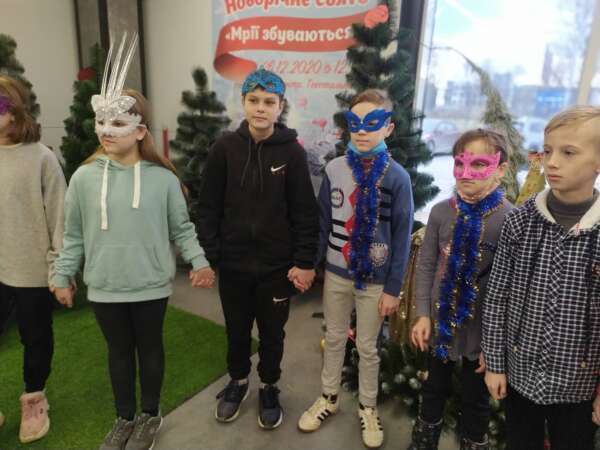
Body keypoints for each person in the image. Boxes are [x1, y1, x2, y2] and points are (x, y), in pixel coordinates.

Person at [53, 35, 214, 450]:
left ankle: (149, 415)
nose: (107, 131)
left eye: (118, 123)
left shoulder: (163, 181)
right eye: (101, 122)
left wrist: (198, 262)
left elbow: (182, 228)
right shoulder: (84, 178)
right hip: (105, 285)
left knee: (150, 349)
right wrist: (62, 273)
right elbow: (73, 233)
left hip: (150, 285)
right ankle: (124, 417)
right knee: (119, 353)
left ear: (140, 130)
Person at [196, 68, 319, 430]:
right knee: (236, 330)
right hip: (233, 266)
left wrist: (304, 261)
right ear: (243, 103)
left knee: (272, 333)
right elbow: (208, 207)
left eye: (269, 101)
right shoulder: (224, 149)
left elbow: (305, 212)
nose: (260, 108)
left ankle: (268, 385)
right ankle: (237, 381)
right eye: (253, 100)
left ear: (280, 106)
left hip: (276, 268)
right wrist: (211, 255)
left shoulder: (293, 154)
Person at [298, 89, 413, 449]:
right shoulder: (334, 169)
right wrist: (311, 265)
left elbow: (402, 236)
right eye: (355, 123)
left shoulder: (397, 177)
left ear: (388, 128)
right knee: (333, 337)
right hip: (336, 273)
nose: (362, 131)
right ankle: (328, 397)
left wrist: (393, 287)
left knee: (367, 346)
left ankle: (367, 406)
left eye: (372, 123)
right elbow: (322, 221)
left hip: (376, 280)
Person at [482, 105, 600, 450]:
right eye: (548, 151)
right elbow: (497, 297)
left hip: (578, 385)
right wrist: (495, 364)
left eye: (568, 152)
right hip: (521, 375)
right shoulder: (520, 221)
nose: (552, 162)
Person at [407, 128, 512, 450]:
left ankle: (473, 442)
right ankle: (424, 440)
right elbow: (426, 266)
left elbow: (511, 290)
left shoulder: (509, 219)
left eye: (479, 164)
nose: (466, 173)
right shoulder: (441, 212)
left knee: (475, 398)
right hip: (441, 322)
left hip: (481, 332)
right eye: (459, 163)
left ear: (500, 169)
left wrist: (495, 347)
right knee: (433, 388)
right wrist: (422, 314)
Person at [0, 73, 67, 444]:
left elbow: (60, 218)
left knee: (36, 337)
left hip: (32, 270)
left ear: (14, 110)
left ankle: (34, 399)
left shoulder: (42, 158)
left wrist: (60, 270)